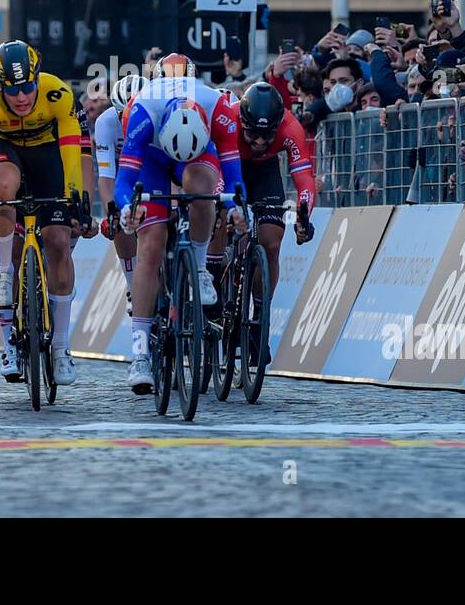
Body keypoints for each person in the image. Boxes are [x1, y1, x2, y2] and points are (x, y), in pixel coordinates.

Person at [111, 73, 245, 393]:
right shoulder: (141, 113)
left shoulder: (219, 109)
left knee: (203, 191)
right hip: (153, 159)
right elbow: (123, 182)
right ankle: (140, 354)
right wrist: (128, 207)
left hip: (200, 154)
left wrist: (241, 207)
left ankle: (198, 268)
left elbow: (234, 174)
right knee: (151, 245)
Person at [0, 41, 89, 384]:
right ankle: (4, 275)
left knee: (58, 244)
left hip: (49, 159)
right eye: (12, 90)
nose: (21, 97)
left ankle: (62, 348)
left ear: (37, 79)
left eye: (27, 88)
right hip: (8, 155)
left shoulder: (57, 93)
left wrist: (73, 196)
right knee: (2, 187)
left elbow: (71, 153)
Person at [231, 82, 316, 367]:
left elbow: (304, 177)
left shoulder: (291, 128)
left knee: (271, 243)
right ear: (242, 121)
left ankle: (258, 317)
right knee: (222, 220)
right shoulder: (228, 120)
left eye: (267, 136)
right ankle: (217, 280)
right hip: (231, 166)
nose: (259, 142)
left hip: (266, 173)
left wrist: (304, 216)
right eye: (253, 133)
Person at [95, 75, 148, 311]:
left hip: (151, 170)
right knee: (118, 217)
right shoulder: (105, 123)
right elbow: (106, 177)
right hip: (121, 174)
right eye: (121, 114)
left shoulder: (157, 114)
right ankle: (131, 282)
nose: (127, 119)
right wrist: (111, 213)